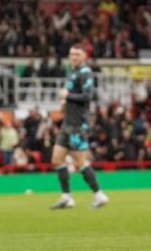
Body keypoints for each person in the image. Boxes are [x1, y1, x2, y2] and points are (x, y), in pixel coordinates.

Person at [49, 44, 109, 210]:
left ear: (84, 57)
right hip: (67, 122)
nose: (73, 57)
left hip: (78, 124)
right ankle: (66, 197)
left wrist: (68, 96)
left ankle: (99, 194)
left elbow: (87, 96)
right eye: (71, 54)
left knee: (80, 161)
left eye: (77, 54)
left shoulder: (85, 73)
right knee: (56, 159)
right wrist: (64, 103)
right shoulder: (72, 73)